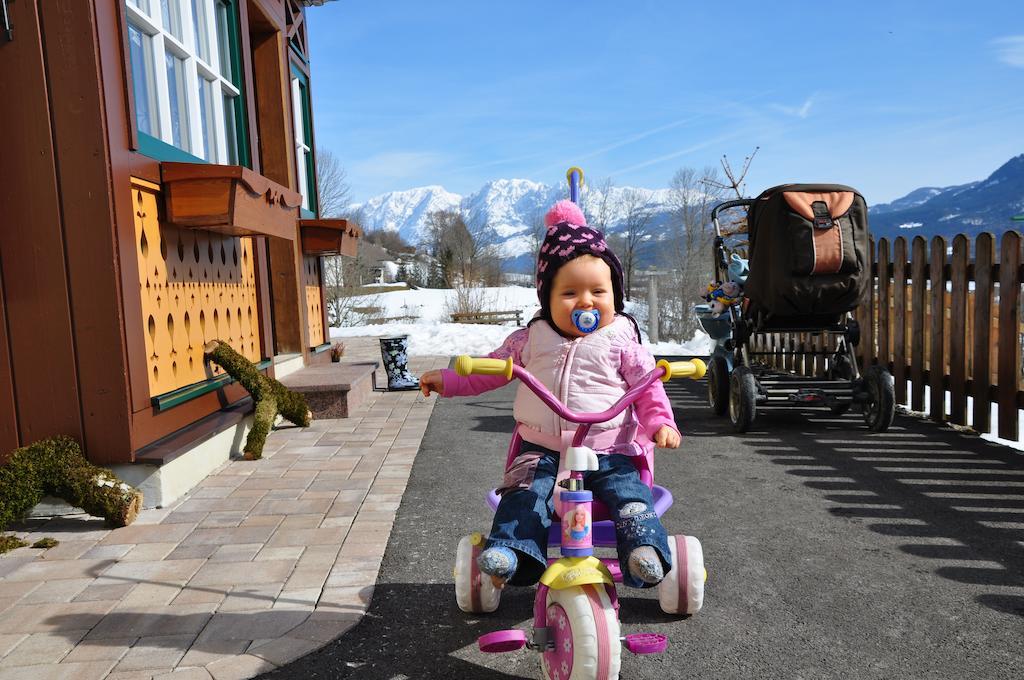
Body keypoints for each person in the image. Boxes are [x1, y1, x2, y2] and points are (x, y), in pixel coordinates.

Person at [419, 199, 681, 590]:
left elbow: (648, 385)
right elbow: (491, 369)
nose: (586, 302)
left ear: (616, 294)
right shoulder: (529, 340)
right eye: (570, 293)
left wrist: (660, 422)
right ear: (547, 297)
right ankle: (510, 551)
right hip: (541, 448)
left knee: (630, 497)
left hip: (610, 450)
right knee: (522, 495)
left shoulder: (624, 341)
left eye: (598, 291)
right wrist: (451, 378)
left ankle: (643, 549)